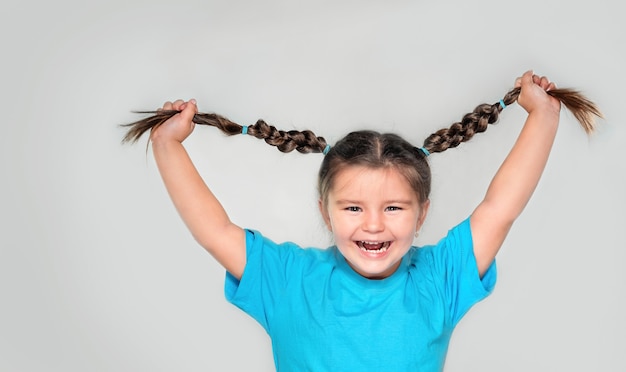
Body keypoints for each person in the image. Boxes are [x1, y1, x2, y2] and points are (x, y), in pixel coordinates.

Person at [131, 70, 594, 371]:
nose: (373, 225)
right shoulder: (288, 280)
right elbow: (213, 230)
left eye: (393, 207)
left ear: (423, 212)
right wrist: (168, 144)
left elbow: (501, 207)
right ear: (324, 211)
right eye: (353, 207)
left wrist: (544, 116)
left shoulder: (439, 278)